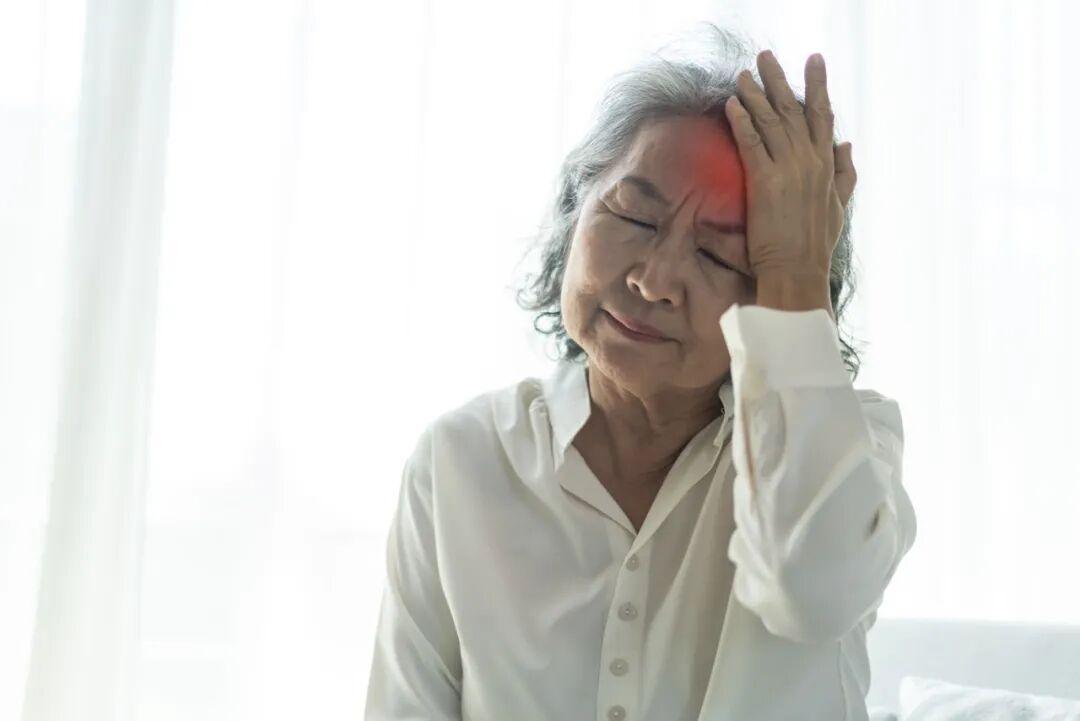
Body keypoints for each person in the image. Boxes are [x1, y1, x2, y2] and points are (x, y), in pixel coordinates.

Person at [363, 24, 916, 721]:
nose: (654, 281)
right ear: (575, 209)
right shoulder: (462, 458)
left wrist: (796, 267)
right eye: (633, 217)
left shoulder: (850, 446)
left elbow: (814, 597)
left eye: (720, 258)